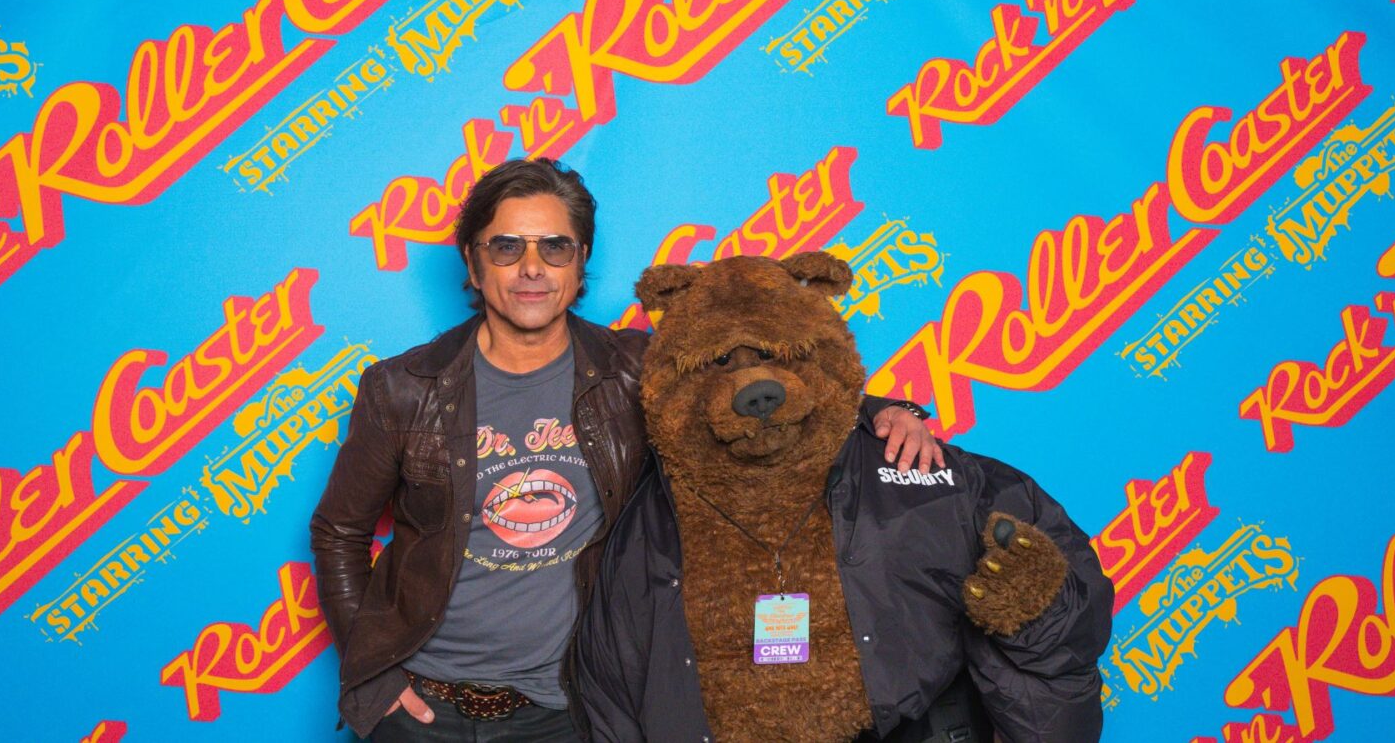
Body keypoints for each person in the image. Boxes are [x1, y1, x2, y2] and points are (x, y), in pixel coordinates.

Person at [309, 159, 941, 740]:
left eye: (554, 247)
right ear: (473, 264)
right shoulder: (404, 387)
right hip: (423, 711)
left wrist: (888, 412)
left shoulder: (636, 371)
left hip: (576, 706)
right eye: (506, 247)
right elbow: (339, 530)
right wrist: (377, 680)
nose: (532, 267)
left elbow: (768, 393)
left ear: (579, 262)